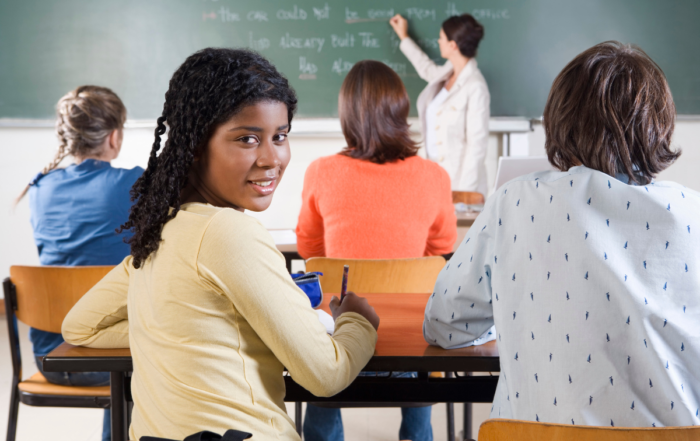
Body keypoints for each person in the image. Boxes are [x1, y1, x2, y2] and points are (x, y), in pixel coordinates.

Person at [61, 48, 380, 441]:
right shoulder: (228, 232)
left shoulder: (165, 230)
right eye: (247, 139)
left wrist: (193, 332)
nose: (271, 158)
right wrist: (357, 321)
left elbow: (80, 326)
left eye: (280, 136)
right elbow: (326, 375)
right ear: (196, 146)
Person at [424, 41, 698, 427]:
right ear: (659, 124)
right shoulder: (695, 216)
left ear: (559, 120)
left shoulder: (514, 202)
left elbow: (445, 323)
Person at [297, 60, 457, 441]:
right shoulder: (433, 176)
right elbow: (441, 250)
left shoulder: (321, 171)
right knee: (419, 358)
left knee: (320, 364)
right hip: (412, 345)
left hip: (340, 340)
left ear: (346, 115)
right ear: (400, 111)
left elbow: (309, 249)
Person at [17, 85, 142, 441]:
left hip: (48, 356)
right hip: (113, 360)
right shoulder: (133, 183)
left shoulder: (40, 187)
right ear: (114, 137)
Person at [389, 13, 490, 195]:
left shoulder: (476, 86)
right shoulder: (447, 73)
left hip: (459, 186)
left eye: (442, 38)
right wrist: (404, 37)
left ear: (453, 45)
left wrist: (463, 194)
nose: (438, 41)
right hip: (433, 178)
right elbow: (426, 68)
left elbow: (477, 147)